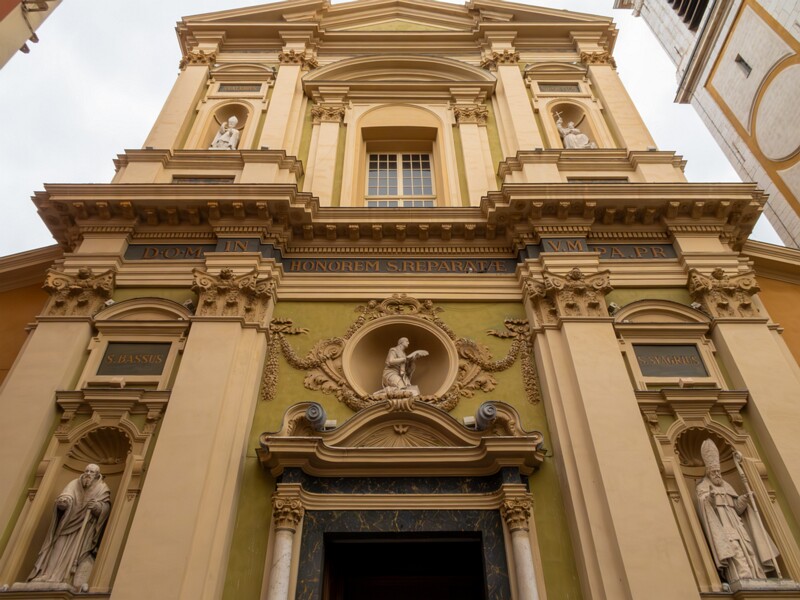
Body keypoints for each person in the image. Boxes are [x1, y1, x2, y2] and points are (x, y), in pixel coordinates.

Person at [696, 439, 779, 583]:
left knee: (749, 549)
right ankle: (742, 578)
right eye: (714, 472)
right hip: (723, 527)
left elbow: (737, 508)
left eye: (718, 471)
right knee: (735, 550)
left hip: (737, 525)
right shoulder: (703, 487)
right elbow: (706, 508)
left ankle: (757, 576)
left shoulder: (727, 485)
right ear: (708, 472)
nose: (717, 474)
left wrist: (745, 499)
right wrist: (710, 497)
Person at [27, 464, 111, 591]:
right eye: (86, 471)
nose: (88, 474)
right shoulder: (74, 484)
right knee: (57, 548)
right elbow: (66, 495)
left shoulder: (102, 488)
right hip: (67, 524)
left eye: (92, 472)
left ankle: (67, 578)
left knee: (76, 552)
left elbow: (105, 507)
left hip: (84, 530)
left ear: (97, 475)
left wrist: (97, 507)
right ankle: (48, 574)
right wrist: (64, 502)